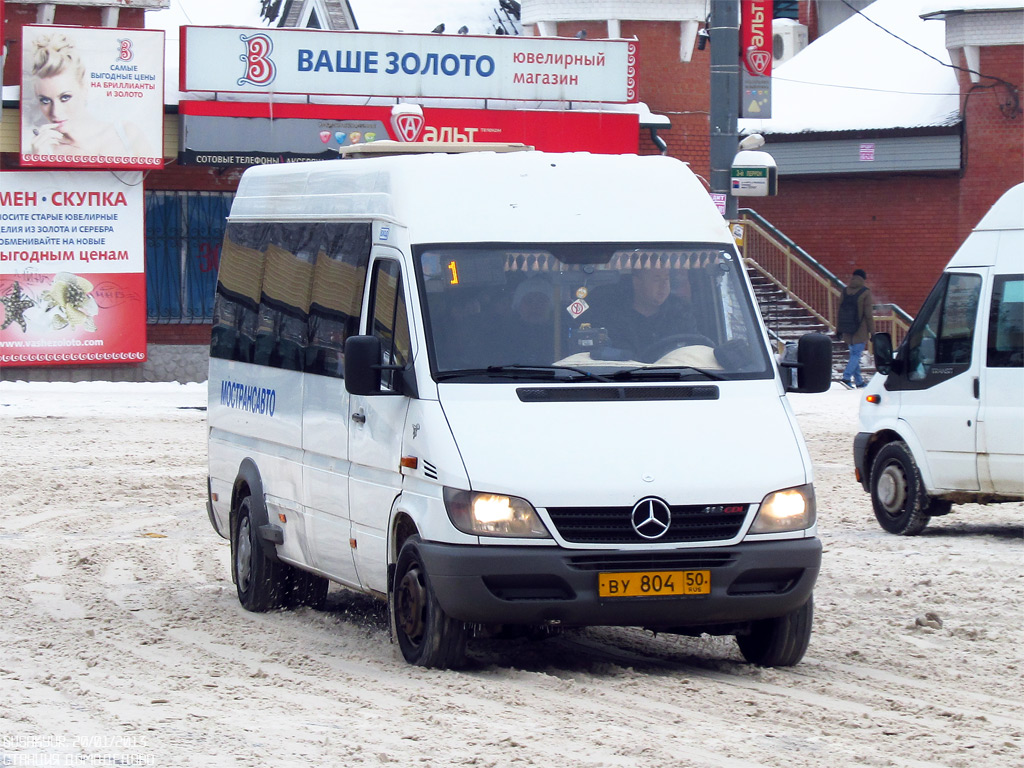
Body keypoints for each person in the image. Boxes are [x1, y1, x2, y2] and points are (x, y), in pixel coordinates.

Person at [25, 33, 151, 159]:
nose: (56, 112)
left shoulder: (127, 134)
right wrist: (37, 158)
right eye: (45, 101)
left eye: (65, 98)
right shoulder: (42, 149)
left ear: (84, 88)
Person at [591, 267, 697, 363]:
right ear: (637, 282)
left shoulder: (681, 314)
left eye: (666, 279)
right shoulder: (611, 319)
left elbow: (694, 350)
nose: (663, 285)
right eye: (656, 279)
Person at [839, 268, 875, 388]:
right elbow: (868, 315)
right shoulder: (865, 292)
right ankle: (846, 377)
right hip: (860, 329)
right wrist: (872, 332)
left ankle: (859, 381)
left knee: (853, 354)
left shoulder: (845, 291)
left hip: (847, 328)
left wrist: (839, 328)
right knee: (856, 355)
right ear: (863, 279)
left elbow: (839, 310)